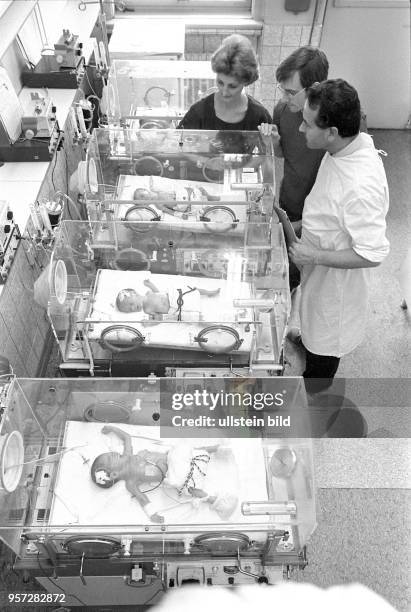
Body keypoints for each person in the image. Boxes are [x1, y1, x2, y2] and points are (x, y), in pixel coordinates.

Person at [288, 79, 389, 390]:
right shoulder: (343, 147)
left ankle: (314, 401)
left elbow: (372, 253)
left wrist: (314, 255)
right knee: (311, 320)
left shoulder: (361, 186)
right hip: (317, 273)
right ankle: (307, 342)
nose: (301, 130)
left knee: (322, 356)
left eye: (307, 124)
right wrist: (304, 224)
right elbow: (332, 207)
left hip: (336, 293)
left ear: (331, 132)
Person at [91, 425, 237, 523]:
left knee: (193, 451)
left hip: (172, 457)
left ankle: (220, 449)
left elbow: (127, 437)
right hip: (173, 475)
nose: (113, 454)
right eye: (111, 458)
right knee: (192, 489)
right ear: (113, 474)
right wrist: (152, 515)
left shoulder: (127, 455)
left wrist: (112, 429)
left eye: (110, 454)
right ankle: (218, 502)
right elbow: (143, 499)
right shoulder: (131, 482)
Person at [259, 46, 329, 233]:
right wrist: (274, 142)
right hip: (291, 200)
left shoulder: (339, 119)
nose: (284, 97)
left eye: (290, 92)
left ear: (315, 88)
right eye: (282, 89)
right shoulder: (283, 110)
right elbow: (284, 153)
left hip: (323, 214)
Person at [178, 34, 271, 130]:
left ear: (245, 82)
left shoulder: (259, 116)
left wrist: (273, 140)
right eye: (220, 82)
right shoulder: (199, 112)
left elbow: (272, 144)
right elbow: (177, 140)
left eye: (233, 86)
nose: (224, 92)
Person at [116, 280, 220, 320]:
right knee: (195, 317)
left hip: (173, 296)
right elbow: (158, 317)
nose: (133, 308)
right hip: (174, 308)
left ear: (134, 293)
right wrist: (151, 322)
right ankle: (210, 322)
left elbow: (157, 292)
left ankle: (209, 292)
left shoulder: (148, 293)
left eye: (131, 304)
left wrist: (150, 284)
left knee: (193, 291)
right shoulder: (146, 310)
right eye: (130, 309)